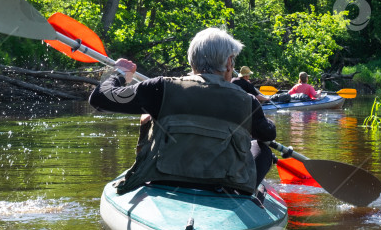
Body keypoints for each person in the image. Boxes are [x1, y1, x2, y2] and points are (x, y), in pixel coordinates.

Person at [88, 28, 276, 197]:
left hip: (165, 180)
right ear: (228, 63)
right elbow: (268, 134)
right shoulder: (247, 101)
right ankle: (247, 198)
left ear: (192, 60)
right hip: (222, 187)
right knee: (263, 149)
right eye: (233, 61)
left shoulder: (161, 88)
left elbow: (100, 98)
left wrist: (120, 74)